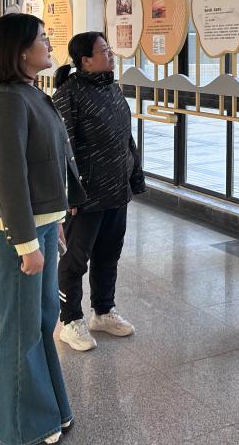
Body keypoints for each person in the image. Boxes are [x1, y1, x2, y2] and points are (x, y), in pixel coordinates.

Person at [0, 13, 86, 445]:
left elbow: (47, 165)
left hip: (39, 225)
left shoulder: (31, 93)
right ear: (21, 50)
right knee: (21, 331)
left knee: (42, 321)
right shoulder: (6, 101)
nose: (50, 44)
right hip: (15, 234)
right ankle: (20, 430)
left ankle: (50, 411)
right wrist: (25, 242)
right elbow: (10, 177)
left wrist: (54, 221)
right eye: (42, 38)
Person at [53, 32, 144, 352]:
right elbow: (62, 148)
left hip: (116, 191)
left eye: (109, 49)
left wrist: (134, 177)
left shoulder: (111, 88)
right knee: (75, 260)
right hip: (86, 196)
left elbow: (125, 137)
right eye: (104, 51)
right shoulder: (68, 94)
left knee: (109, 254)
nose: (111, 54)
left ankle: (103, 312)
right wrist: (68, 194)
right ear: (85, 61)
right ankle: (70, 320)